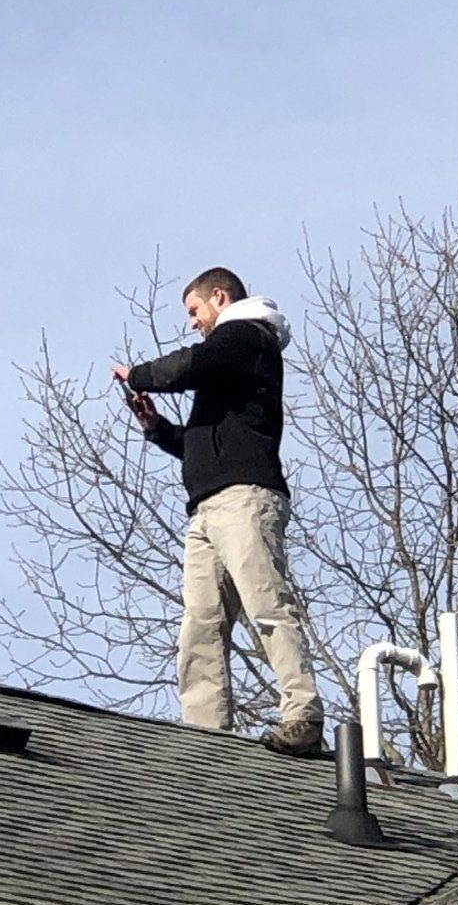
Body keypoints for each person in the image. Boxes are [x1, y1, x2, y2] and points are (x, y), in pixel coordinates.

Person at [111, 267, 326, 754]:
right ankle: (205, 734)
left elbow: (189, 366)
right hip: (207, 508)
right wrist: (157, 429)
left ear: (220, 297)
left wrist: (138, 375)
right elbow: (203, 445)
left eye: (194, 310)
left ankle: (303, 714)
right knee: (201, 622)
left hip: (245, 498)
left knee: (267, 603)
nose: (193, 322)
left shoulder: (247, 334)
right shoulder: (232, 358)